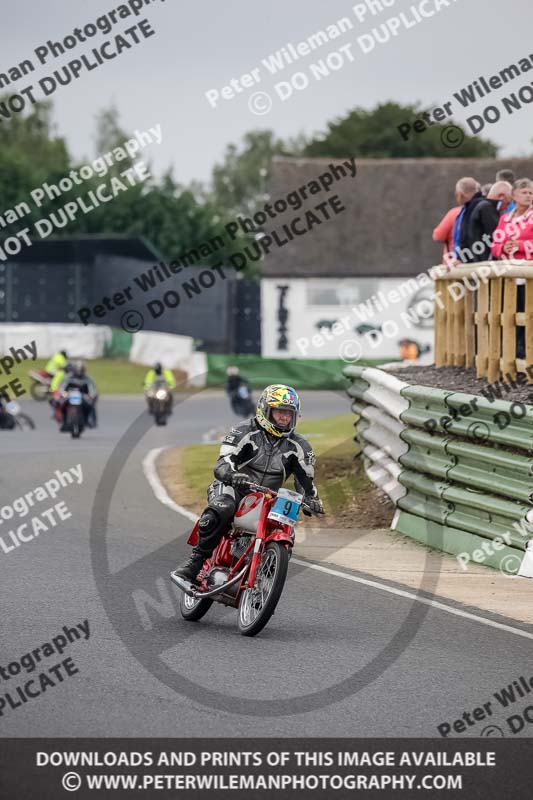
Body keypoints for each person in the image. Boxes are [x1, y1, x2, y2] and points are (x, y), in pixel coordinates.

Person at [175, 384, 324, 582]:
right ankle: (196, 562)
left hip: (268, 498)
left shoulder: (300, 447)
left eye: (289, 413)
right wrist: (232, 475)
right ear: (265, 410)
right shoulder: (244, 431)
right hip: (233, 487)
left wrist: (312, 499)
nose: (284, 418)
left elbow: (305, 481)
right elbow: (223, 463)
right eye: (280, 412)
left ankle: (264, 582)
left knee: (286, 530)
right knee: (223, 507)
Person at [491, 178, 533, 358]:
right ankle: (511, 354)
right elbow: (494, 245)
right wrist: (503, 248)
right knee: (509, 316)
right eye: (524, 192)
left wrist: (521, 245)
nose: (528, 196)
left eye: (531, 193)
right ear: (514, 195)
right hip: (507, 276)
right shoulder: (505, 219)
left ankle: (526, 354)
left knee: (527, 315)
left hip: (528, 275)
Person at [458, 181, 513, 263]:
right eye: (507, 203)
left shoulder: (478, 205)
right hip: (483, 260)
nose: (506, 208)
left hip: (474, 258)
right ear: (501, 196)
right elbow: (497, 235)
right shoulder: (487, 209)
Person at [58, 360, 98, 431]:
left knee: (91, 405)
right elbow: (61, 387)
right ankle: (64, 422)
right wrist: (64, 393)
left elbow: (92, 389)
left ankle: (90, 420)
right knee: (60, 404)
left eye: (81, 370)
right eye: (77, 369)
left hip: (83, 397)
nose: (79, 372)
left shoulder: (88, 379)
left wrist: (91, 396)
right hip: (69, 396)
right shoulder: (68, 377)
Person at [455, 177, 484, 257]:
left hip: (471, 258)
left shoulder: (472, 209)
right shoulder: (475, 206)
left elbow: (466, 236)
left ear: (460, 194)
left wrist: (461, 257)